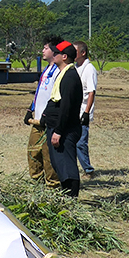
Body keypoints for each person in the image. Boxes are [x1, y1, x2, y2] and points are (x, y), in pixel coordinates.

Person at [41, 40, 84, 198]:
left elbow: (67, 106)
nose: (53, 55)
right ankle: (66, 196)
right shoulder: (63, 74)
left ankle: (71, 198)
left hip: (65, 130)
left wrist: (59, 131)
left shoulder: (70, 77)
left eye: (56, 53)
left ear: (64, 57)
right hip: (56, 126)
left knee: (67, 166)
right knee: (59, 164)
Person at [24, 38, 60, 186]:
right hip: (37, 121)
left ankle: (52, 185)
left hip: (49, 122)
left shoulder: (58, 71)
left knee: (48, 156)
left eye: (46, 48)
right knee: (33, 153)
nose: (42, 51)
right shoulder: (46, 70)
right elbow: (40, 93)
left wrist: (47, 115)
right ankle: (37, 184)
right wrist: (30, 109)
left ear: (54, 51)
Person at [73, 40, 98, 178]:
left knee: (81, 143)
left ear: (83, 53)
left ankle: (88, 170)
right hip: (73, 111)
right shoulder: (75, 67)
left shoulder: (89, 69)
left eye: (75, 51)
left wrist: (87, 113)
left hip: (82, 111)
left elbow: (91, 92)